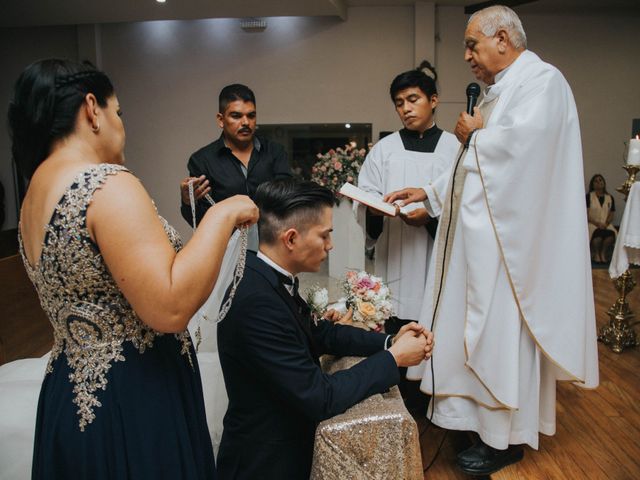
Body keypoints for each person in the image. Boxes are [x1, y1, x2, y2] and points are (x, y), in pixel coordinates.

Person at [6, 58, 258, 479]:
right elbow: (170, 307)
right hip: (134, 396)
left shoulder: (34, 195)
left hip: (67, 394)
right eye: (117, 111)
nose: (122, 124)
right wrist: (222, 216)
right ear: (92, 109)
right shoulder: (106, 183)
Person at [385, 5, 599, 476]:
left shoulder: (543, 82)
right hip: (477, 245)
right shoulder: (497, 94)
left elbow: (527, 153)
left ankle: (504, 440)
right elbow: (469, 164)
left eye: (471, 44)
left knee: (499, 336)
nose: (466, 56)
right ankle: (470, 422)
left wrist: (478, 136)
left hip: (509, 250)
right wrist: (432, 193)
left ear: (502, 39)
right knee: (469, 334)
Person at [216, 179, 434, 480]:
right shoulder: (257, 302)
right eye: (325, 235)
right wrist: (394, 359)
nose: (330, 246)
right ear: (291, 238)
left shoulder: (266, 275)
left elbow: (322, 333)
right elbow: (319, 397)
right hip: (265, 462)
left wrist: (389, 341)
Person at [356, 60, 459, 327]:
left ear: (433, 100)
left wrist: (432, 214)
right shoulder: (385, 149)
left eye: (413, 99)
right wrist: (374, 210)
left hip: (438, 251)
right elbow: (368, 190)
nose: (406, 108)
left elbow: (467, 198)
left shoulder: (455, 148)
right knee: (396, 329)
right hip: (396, 249)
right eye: (399, 102)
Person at [179, 84, 291, 251]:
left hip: (272, 250)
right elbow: (200, 221)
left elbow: (287, 198)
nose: (245, 122)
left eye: (251, 116)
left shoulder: (275, 152)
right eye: (236, 116)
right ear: (220, 120)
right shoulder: (202, 160)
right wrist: (189, 203)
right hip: (226, 252)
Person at [587, 174, 616, 263]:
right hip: (592, 223)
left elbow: (612, 213)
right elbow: (585, 213)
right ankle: (596, 254)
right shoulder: (589, 196)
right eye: (596, 181)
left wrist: (606, 224)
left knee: (611, 235)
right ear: (592, 184)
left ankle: (602, 254)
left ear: (604, 182)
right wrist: (597, 224)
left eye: (600, 180)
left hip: (605, 224)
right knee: (597, 235)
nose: (599, 182)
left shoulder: (610, 197)